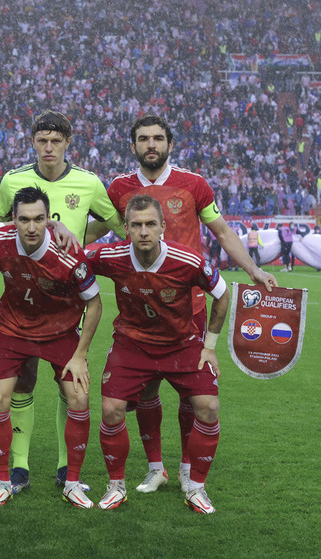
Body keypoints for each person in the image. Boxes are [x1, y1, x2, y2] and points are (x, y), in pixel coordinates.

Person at [106, 114, 277, 494]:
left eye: (158, 138)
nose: (151, 144)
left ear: (170, 144)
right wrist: (57, 237)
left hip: (191, 309)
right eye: (144, 139)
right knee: (146, 392)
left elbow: (222, 231)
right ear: (133, 146)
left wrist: (253, 269)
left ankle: (186, 466)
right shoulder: (119, 188)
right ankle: (156, 468)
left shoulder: (194, 185)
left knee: (192, 394)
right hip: (141, 309)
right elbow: (103, 227)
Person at [0, 110, 125, 493]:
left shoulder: (89, 183)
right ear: (33, 142)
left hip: (67, 304)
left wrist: (77, 236)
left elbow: (117, 223)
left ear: (67, 143)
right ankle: (19, 468)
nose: (49, 147)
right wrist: (45, 227)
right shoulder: (13, 180)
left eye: (56, 141)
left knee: (70, 386)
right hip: (22, 300)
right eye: (42, 140)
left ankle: (66, 468)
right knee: (23, 379)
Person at [88, 195, 229, 513]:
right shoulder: (110, 256)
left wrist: (209, 346)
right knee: (111, 409)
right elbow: (73, 262)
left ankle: (196, 487)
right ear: (125, 228)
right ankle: (116, 486)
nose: (143, 231)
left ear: (163, 226)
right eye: (136, 225)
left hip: (181, 344)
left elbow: (222, 295)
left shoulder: (188, 260)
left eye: (150, 224)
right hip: (132, 344)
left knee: (209, 407)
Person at [0, 187, 102, 508]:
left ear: (49, 219)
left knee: (79, 396)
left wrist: (80, 355)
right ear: (13, 220)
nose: (32, 227)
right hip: (13, 329)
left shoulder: (68, 253)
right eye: (24, 220)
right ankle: (5, 480)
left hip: (60, 331)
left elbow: (95, 304)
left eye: (39, 219)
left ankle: (71, 482)